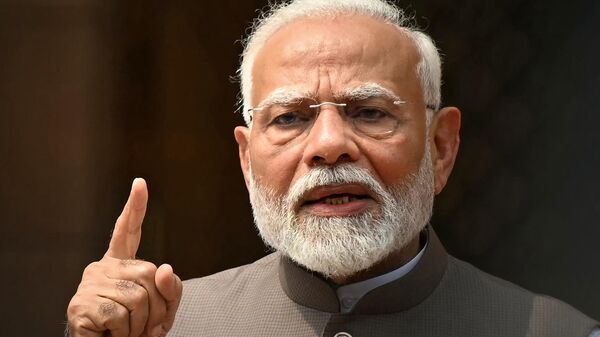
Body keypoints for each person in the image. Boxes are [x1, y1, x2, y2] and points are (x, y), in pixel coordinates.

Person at [66, 1, 599, 336]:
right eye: (291, 117)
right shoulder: (169, 328)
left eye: (369, 113)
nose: (328, 145)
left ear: (441, 147)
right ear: (247, 161)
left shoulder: (551, 331)